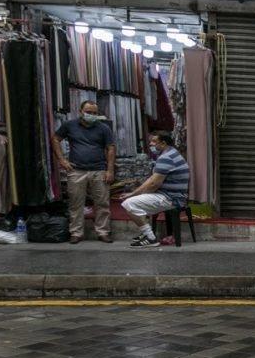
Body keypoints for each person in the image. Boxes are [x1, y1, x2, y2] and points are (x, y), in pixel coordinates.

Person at [52, 100, 115, 243]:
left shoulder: (103, 128)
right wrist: (62, 160)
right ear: (81, 111)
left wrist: (110, 170)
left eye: (94, 113)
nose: (91, 115)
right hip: (76, 170)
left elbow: (111, 148)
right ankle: (76, 233)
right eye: (88, 112)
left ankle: (103, 232)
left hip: (99, 170)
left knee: (102, 203)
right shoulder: (70, 125)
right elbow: (55, 139)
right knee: (76, 203)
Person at [120, 133, 190, 249]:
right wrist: (134, 193)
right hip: (172, 195)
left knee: (129, 203)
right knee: (136, 200)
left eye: (154, 141)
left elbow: (153, 184)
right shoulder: (171, 153)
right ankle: (146, 233)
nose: (151, 144)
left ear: (163, 143)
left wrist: (133, 195)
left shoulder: (166, 158)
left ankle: (150, 237)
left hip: (171, 198)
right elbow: (152, 179)